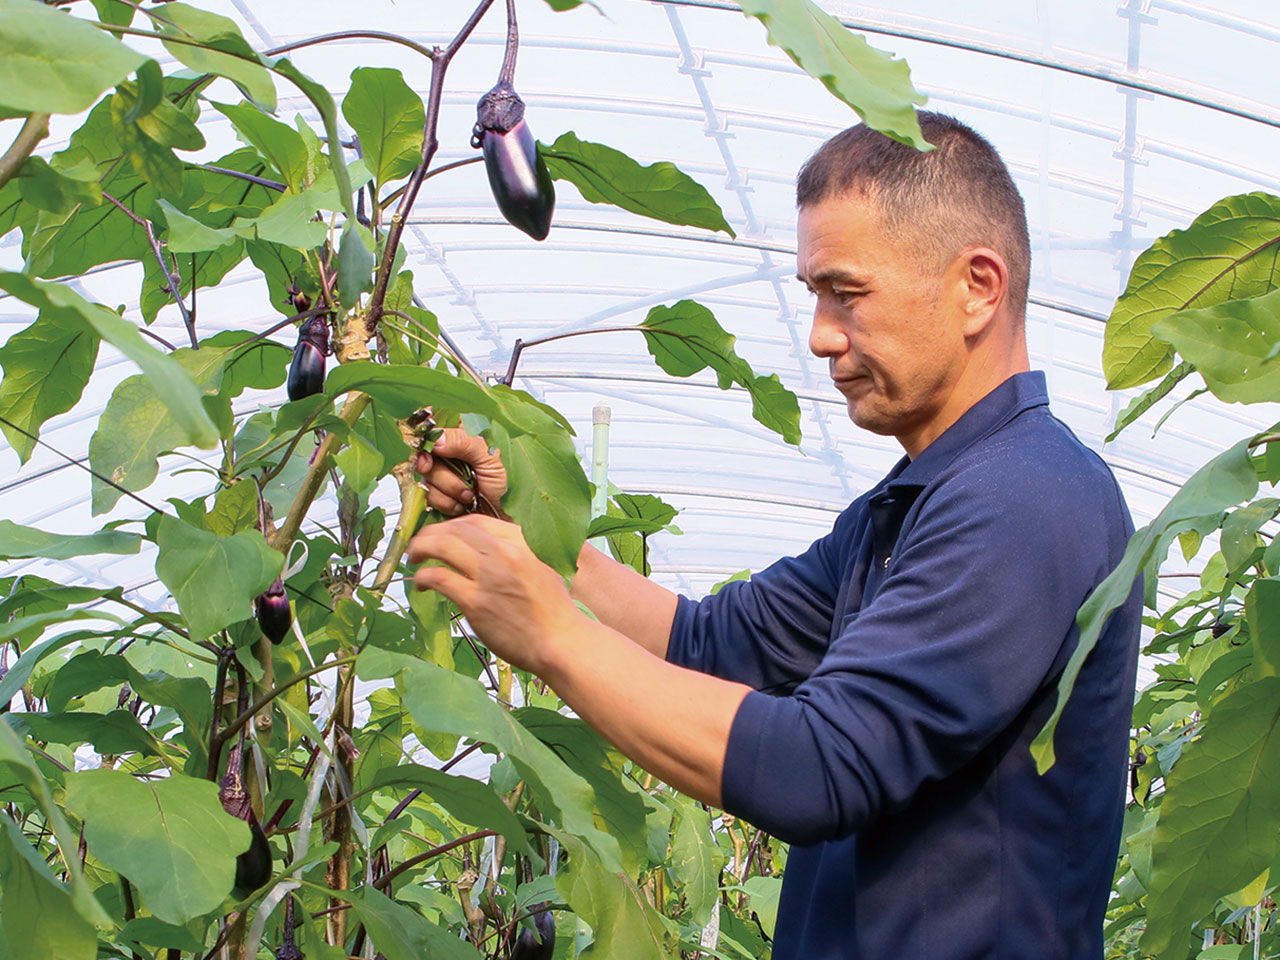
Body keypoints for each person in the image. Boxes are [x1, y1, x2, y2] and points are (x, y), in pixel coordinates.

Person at [407, 112, 1142, 959]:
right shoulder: (911, 505)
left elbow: (819, 766)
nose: (823, 334)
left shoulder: (1027, 499)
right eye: (816, 297)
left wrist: (548, 633)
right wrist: (521, 532)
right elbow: (709, 642)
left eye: (847, 293)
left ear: (978, 285)